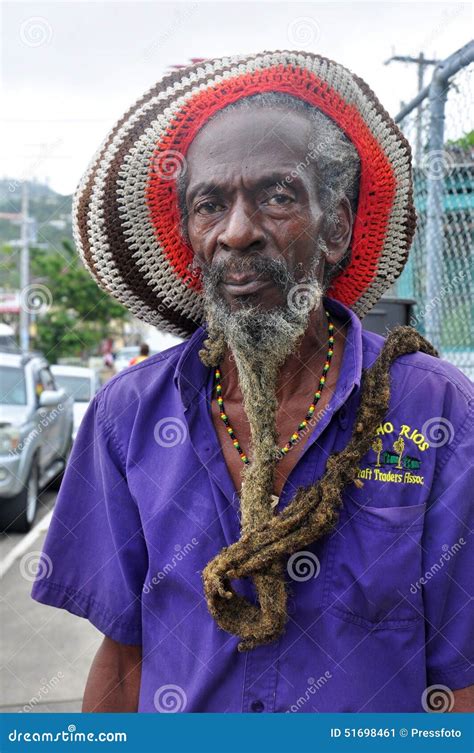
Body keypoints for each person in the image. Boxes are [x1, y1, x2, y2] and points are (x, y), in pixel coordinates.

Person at [30, 50, 473, 713]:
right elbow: (126, 654)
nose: (238, 231)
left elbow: (460, 680)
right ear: (191, 234)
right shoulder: (127, 416)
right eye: (211, 204)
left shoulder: (438, 411)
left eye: (276, 194)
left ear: (338, 227)